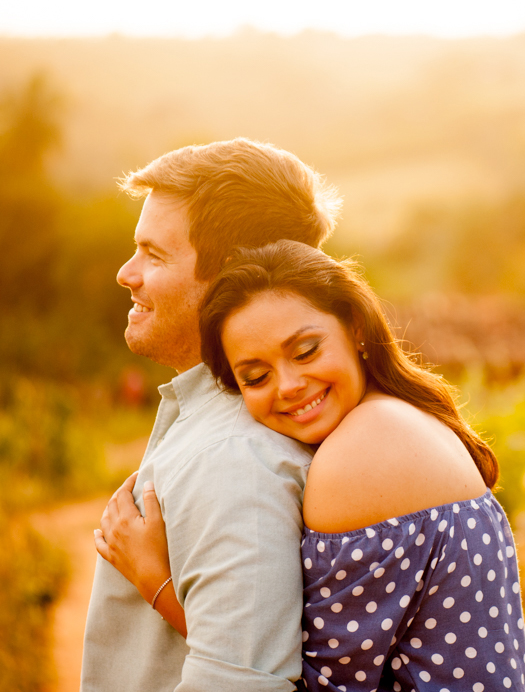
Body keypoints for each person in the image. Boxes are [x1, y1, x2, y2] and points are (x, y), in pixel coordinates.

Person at [95, 240, 525, 692]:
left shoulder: (359, 456)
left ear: (355, 327)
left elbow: (308, 689)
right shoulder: (403, 416)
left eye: (305, 351)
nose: (288, 385)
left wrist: (155, 581)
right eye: (256, 376)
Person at [82, 139, 341, 692]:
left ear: (230, 277)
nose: (127, 273)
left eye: (154, 254)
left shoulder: (235, 457)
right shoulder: (218, 429)